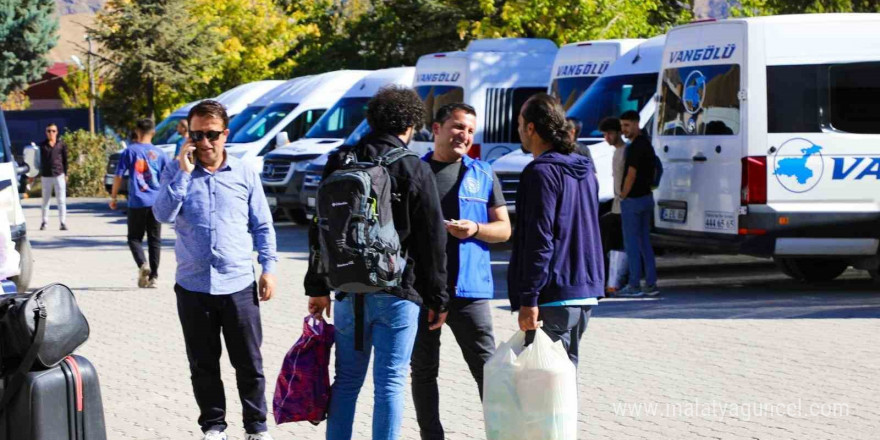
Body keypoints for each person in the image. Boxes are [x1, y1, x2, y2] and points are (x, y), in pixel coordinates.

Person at [305, 85, 449, 440]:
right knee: (391, 381)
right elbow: (433, 240)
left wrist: (317, 286)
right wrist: (438, 298)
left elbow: (319, 229)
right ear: (412, 124)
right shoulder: (413, 167)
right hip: (398, 290)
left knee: (348, 379)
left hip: (347, 289)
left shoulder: (340, 160)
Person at [152, 100, 277, 440]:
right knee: (203, 364)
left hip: (238, 284)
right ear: (188, 135)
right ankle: (214, 426)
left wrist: (268, 267)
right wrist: (182, 173)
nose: (204, 143)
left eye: (211, 135)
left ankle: (256, 427)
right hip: (193, 287)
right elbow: (161, 214)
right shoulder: (175, 170)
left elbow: (262, 225)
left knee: (249, 364)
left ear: (225, 134)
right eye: (196, 135)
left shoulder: (244, 173)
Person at [412, 103, 510, 440]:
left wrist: (475, 229)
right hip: (422, 290)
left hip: (470, 291)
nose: (464, 135)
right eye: (457, 127)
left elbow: (504, 229)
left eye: (469, 130)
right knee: (423, 372)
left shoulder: (483, 173)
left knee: (489, 373)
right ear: (436, 129)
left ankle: (501, 433)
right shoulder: (414, 171)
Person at [509, 93, 604, 366]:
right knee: (562, 382)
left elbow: (540, 239)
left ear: (531, 128)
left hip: (553, 295)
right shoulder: (585, 169)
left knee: (545, 386)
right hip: (584, 291)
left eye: (519, 124)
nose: (519, 131)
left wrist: (529, 298)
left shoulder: (540, 172)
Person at [110, 118, 170, 288]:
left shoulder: (130, 152)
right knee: (154, 239)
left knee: (134, 238)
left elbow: (118, 176)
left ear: (137, 131)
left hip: (137, 201)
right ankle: (154, 277)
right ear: (153, 132)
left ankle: (143, 264)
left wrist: (114, 197)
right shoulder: (161, 153)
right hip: (156, 201)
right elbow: (167, 177)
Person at [617, 110, 659, 297]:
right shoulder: (647, 144)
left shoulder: (635, 147)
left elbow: (631, 174)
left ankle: (634, 285)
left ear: (636, 124)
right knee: (645, 243)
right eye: (622, 126)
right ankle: (650, 284)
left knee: (632, 244)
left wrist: (623, 195)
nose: (623, 130)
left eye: (626, 125)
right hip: (647, 198)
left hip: (633, 200)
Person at [599, 117, 628, 294]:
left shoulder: (625, 151)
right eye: (605, 134)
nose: (607, 138)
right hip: (616, 205)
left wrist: (624, 196)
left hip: (624, 206)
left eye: (609, 133)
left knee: (618, 244)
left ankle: (615, 282)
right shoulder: (616, 152)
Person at [39, 123, 68, 231]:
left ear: (57, 132)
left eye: (53, 131)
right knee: (45, 200)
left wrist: (66, 174)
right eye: (49, 131)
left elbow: (65, 160)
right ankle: (44, 222)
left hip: (59, 174)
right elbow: (38, 161)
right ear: (46, 132)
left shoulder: (61, 145)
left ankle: (62, 222)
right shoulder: (42, 146)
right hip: (46, 176)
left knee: (61, 200)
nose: (51, 133)